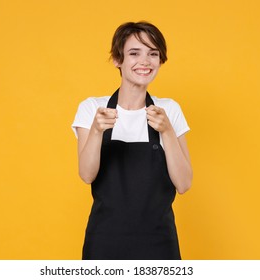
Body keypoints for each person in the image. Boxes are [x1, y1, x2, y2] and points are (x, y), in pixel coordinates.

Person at [72, 21, 192, 260]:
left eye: (153, 53)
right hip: (104, 241)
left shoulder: (168, 109)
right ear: (118, 60)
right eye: (134, 53)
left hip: (159, 242)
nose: (145, 61)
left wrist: (167, 131)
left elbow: (184, 183)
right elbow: (86, 175)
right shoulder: (93, 108)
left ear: (160, 60)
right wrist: (96, 131)